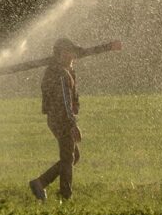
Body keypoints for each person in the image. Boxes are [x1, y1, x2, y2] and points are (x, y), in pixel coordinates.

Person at [29, 38, 121, 202]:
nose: (72, 55)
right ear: (61, 54)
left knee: (72, 157)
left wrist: (108, 47)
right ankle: (65, 195)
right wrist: (72, 125)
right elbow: (64, 101)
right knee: (68, 158)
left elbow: (85, 52)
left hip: (57, 118)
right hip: (61, 119)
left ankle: (40, 182)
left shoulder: (61, 69)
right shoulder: (61, 74)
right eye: (68, 52)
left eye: (72, 52)